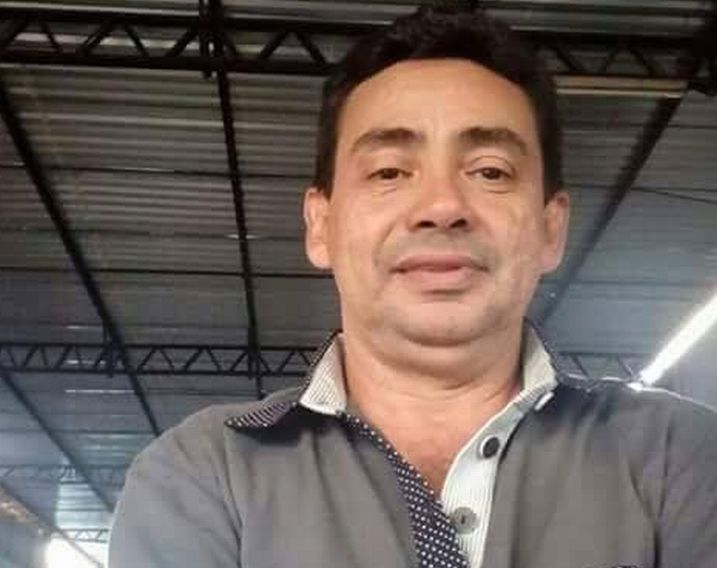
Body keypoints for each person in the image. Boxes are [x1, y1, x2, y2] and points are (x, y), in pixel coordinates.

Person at [109, 6, 717, 568]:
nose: (442, 207)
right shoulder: (203, 473)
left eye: (490, 171)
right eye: (389, 171)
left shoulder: (680, 457)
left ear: (551, 229)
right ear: (320, 225)